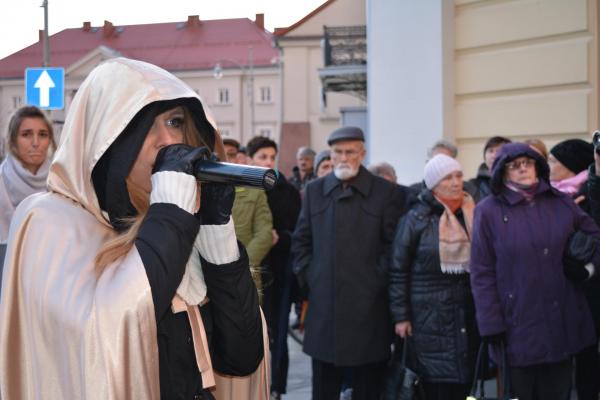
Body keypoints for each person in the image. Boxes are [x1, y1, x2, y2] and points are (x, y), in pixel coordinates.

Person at [0, 58, 265, 399]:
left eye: (175, 122)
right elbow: (102, 348)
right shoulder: (48, 220)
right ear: (104, 138)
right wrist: (170, 216)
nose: (167, 141)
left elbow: (242, 357)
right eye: (140, 125)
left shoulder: (181, 225)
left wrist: (216, 236)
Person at [470, 142, 600, 400]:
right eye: (514, 165)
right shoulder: (488, 211)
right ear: (502, 172)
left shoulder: (561, 202)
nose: (522, 169)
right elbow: (481, 272)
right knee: (520, 392)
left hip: (560, 318)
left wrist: (586, 269)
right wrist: (490, 323)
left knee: (559, 390)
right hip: (515, 323)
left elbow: (596, 239)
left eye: (527, 163)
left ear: (537, 166)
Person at [292, 126, 404, 400]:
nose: (343, 158)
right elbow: (301, 242)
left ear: (362, 154)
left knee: (368, 389)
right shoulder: (315, 191)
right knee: (324, 389)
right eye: (338, 152)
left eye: (350, 152)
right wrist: (313, 277)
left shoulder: (385, 193)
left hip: (369, 313)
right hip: (324, 311)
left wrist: (374, 281)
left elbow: (394, 248)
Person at [390, 154, 478, 400]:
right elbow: (398, 270)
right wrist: (401, 316)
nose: (455, 182)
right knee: (437, 386)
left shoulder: (473, 213)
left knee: (466, 383)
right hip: (428, 317)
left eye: (458, 175)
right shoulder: (416, 219)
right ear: (433, 184)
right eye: (447, 177)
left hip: (468, 313)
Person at [246, 136, 302, 399]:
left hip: (279, 271)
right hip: (250, 269)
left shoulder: (287, 190)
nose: (268, 162)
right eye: (262, 157)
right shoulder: (243, 188)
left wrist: (281, 238)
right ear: (251, 158)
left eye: (271, 157)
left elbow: (299, 231)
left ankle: (276, 386)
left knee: (277, 333)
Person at [549, 138, 599, 400]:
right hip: (557, 287)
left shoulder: (589, 193)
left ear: (570, 166)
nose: (548, 165)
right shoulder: (549, 193)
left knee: (586, 354)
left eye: (554, 161)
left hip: (587, 287)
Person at [223, 137, 273, 298]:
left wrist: (242, 265)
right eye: (217, 153)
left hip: (245, 275)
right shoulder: (195, 191)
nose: (224, 158)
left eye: (230, 154)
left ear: (238, 158)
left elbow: (264, 234)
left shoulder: (254, 190)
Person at [0, 106, 56, 245]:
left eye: (42, 134)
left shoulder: (60, 182)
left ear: (50, 140)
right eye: (26, 134)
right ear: (13, 140)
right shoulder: (2, 181)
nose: (35, 143)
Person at [469, 136, 511, 202]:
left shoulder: (517, 183)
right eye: (490, 151)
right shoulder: (472, 185)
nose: (494, 156)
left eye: (498, 151)